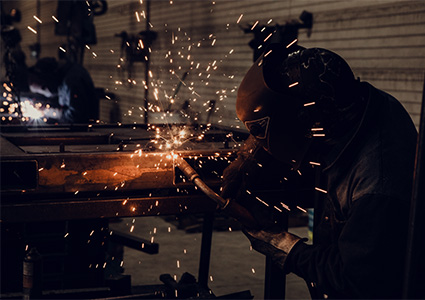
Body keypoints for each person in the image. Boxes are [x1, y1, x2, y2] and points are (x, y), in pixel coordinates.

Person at [221, 43, 422, 298]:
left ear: (308, 122)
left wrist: (283, 245)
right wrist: (247, 158)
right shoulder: (354, 105)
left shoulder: (377, 184)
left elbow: (351, 280)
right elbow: (288, 114)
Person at [27, 57, 98, 123]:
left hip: (84, 132)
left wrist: (54, 113)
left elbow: (77, 115)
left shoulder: (72, 81)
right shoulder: (64, 76)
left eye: (44, 87)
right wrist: (48, 106)